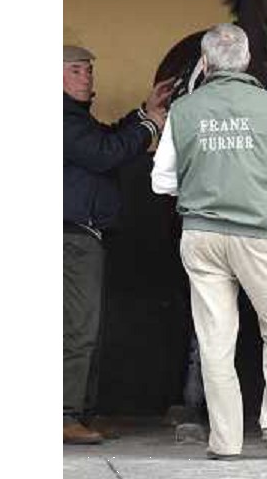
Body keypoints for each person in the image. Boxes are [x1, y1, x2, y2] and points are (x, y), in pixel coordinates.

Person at [151, 23, 267, 458]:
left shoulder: (183, 110)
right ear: (245, 62)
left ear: (205, 63)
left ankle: (225, 441)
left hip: (201, 235)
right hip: (259, 234)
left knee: (215, 340)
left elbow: (161, 182)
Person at [63, 44, 171, 444]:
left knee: (87, 328)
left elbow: (105, 137)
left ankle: (81, 413)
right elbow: (104, 153)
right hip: (72, 236)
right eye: (76, 70)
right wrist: (150, 127)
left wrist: (144, 111)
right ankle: (65, 414)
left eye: (88, 70)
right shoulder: (60, 117)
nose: (87, 77)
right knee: (79, 329)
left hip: (83, 236)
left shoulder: (75, 118)